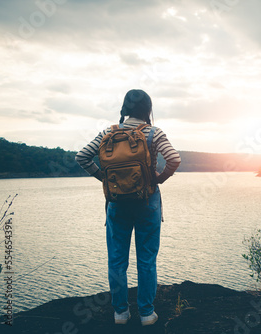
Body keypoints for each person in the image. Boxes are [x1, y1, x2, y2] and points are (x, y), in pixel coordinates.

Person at [75, 89, 181, 326]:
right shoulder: (154, 133)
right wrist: (158, 178)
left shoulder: (108, 133)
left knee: (116, 260)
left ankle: (120, 313)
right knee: (146, 260)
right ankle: (146, 314)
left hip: (117, 204)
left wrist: (105, 179)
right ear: (148, 109)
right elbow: (174, 159)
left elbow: (82, 157)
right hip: (147, 202)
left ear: (125, 108)